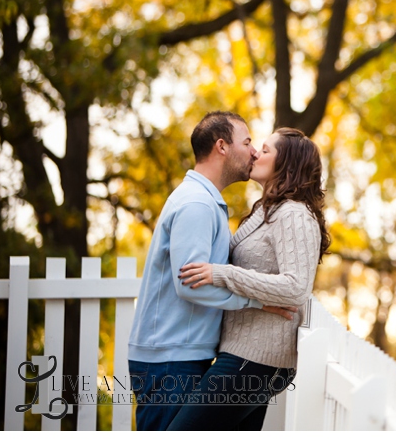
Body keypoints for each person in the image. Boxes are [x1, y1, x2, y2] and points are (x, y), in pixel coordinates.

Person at [127, 111, 296, 431]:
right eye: (246, 142)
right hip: (169, 362)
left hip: (176, 357)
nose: (253, 152)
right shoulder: (197, 205)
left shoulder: (206, 201)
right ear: (222, 146)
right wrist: (257, 302)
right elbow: (191, 285)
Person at [167, 127, 330, 431]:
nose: (255, 152)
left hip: (257, 360)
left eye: (266, 150)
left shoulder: (294, 214)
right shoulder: (266, 210)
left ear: (288, 165)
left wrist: (223, 273)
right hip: (243, 354)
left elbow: (296, 288)